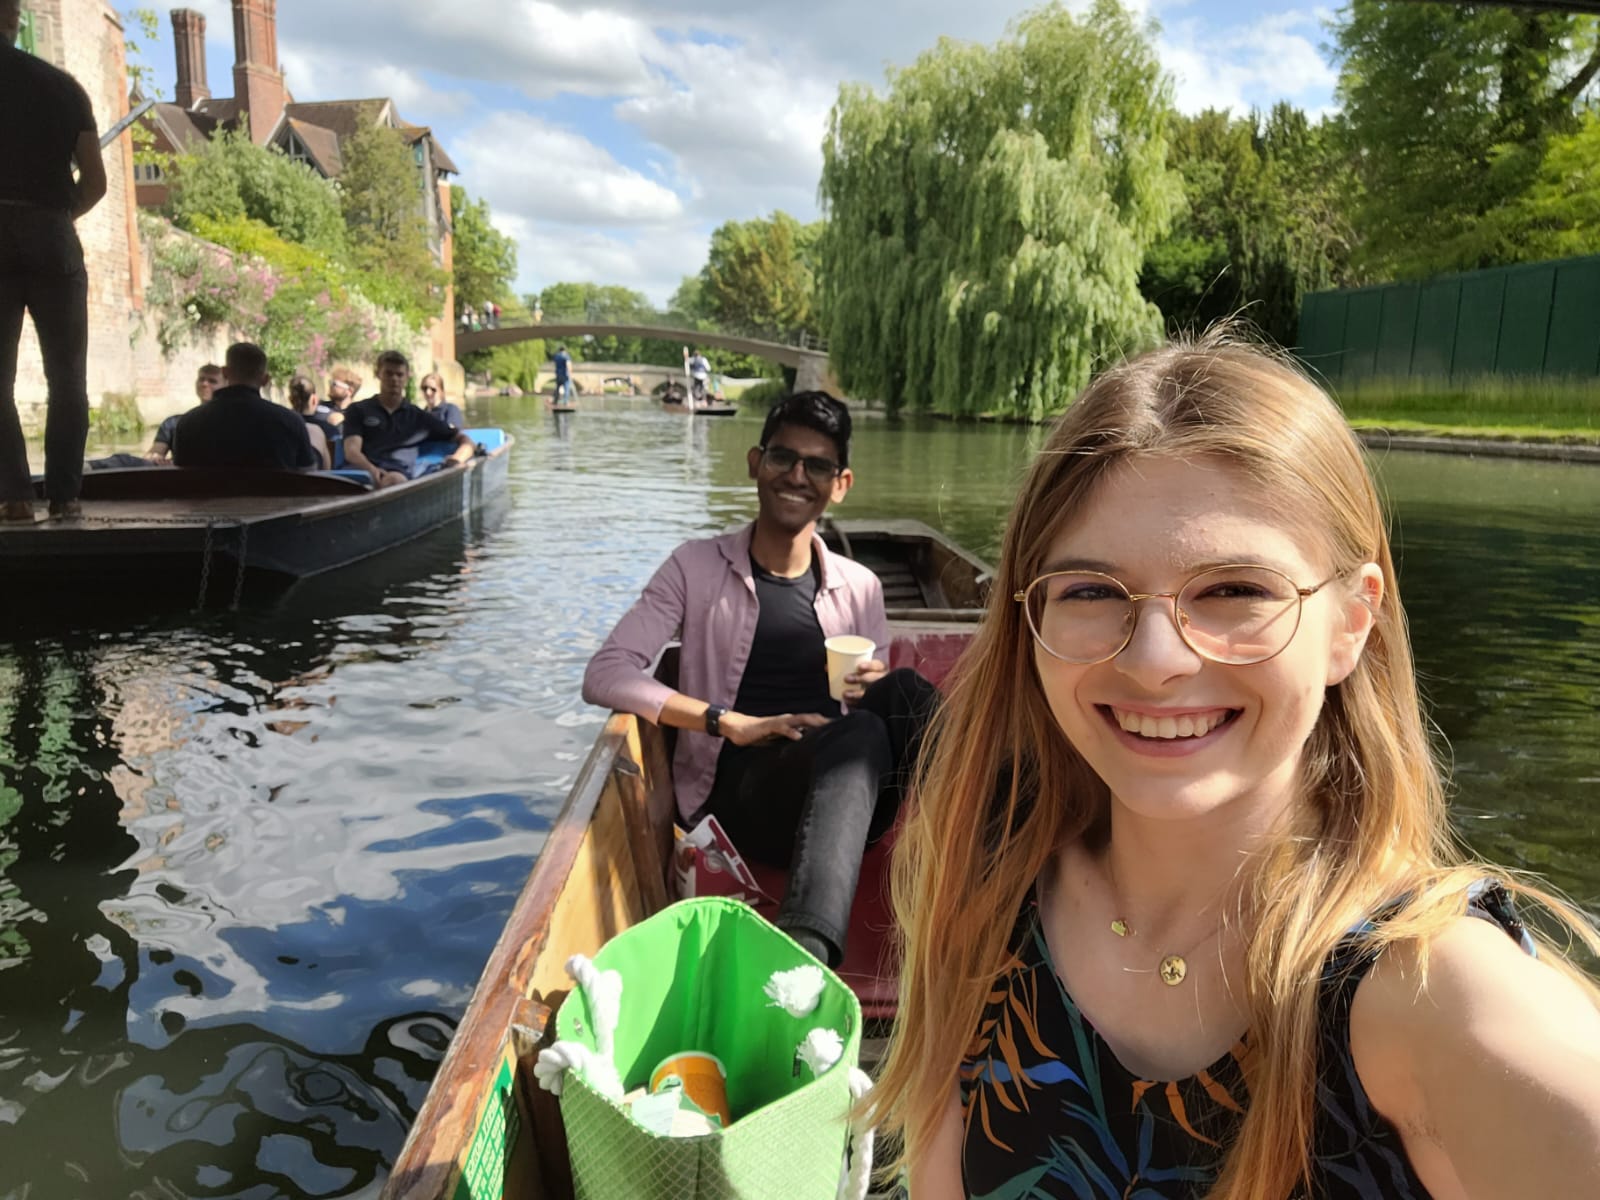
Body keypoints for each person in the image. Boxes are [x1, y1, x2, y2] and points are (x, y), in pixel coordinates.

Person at [878, 332, 1600, 1199]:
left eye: (1234, 591)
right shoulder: (982, 888)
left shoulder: (1431, 994)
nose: (1152, 660)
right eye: (1092, 592)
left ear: (1351, 622)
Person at [583, 391, 940, 967]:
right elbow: (606, 673)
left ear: (840, 483)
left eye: (817, 465)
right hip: (743, 797)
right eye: (782, 458)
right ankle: (805, 960)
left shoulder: (861, 586)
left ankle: (1015, 850)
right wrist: (731, 722)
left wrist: (869, 682)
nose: (797, 476)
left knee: (903, 692)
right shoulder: (694, 566)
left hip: (845, 792)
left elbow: (860, 705)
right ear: (755, 463)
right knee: (861, 738)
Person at [0, 0, 107, 522]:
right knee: (67, 379)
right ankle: (65, 496)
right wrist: (60, 218)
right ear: (15, 17)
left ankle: (14, 497)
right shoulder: (64, 87)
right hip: (52, 232)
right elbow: (96, 182)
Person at [172, 342, 319, 471]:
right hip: (272, 502)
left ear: (225, 372)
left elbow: (181, 472)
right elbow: (307, 473)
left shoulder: (188, 422)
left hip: (210, 501)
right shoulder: (290, 421)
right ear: (265, 380)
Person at [341, 350, 473, 488]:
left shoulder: (419, 417)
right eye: (388, 373)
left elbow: (464, 439)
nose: (394, 379)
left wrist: (457, 458)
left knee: (393, 480)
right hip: (360, 470)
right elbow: (351, 451)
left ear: (406, 378)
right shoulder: (358, 410)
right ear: (378, 374)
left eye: (399, 375)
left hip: (396, 473)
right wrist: (371, 470)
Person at [146, 363, 222, 463]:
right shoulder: (172, 423)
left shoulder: (230, 422)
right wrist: (155, 458)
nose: (204, 384)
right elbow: (155, 453)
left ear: (225, 385)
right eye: (201, 379)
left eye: (212, 381)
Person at [286, 375, 335, 469]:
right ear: (314, 399)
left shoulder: (281, 425)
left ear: (290, 399)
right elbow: (327, 470)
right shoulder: (329, 430)